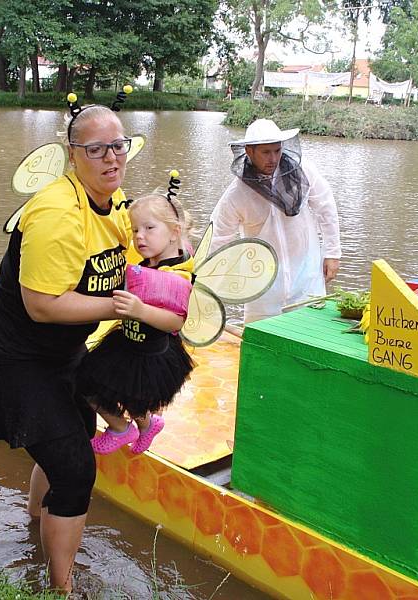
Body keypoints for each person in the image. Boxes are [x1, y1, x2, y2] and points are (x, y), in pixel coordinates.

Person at [0, 94, 134, 594]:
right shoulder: (57, 212)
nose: (111, 158)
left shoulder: (114, 200)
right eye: (97, 150)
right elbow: (42, 304)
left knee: (69, 444)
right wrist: (124, 309)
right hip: (16, 355)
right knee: (77, 469)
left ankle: (36, 521)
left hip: (61, 351)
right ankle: (61, 587)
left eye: (118, 147)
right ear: (72, 154)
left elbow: (132, 254)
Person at [78, 190, 195, 455]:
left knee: (129, 393)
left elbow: (176, 321)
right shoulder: (150, 260)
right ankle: (144, 426)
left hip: (151, 352)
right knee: (90, 384)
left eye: (149, 228)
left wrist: (140, 310)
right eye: (135, 230)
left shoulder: (176, 275)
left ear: (174, 232)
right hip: (127, 342)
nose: (139, 236)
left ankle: (125, 428)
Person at [210, 118, 341, 323]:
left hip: (306, 271)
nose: (273, 158)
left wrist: (332, 253)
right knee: (261, 339)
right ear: (249, 152)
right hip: (262, 282)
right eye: (265, 152)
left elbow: (326, 207)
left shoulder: (302, 171)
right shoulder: (237, 193)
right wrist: (206, 284)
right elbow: (219, 238)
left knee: (310, 330)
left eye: (277, 151)